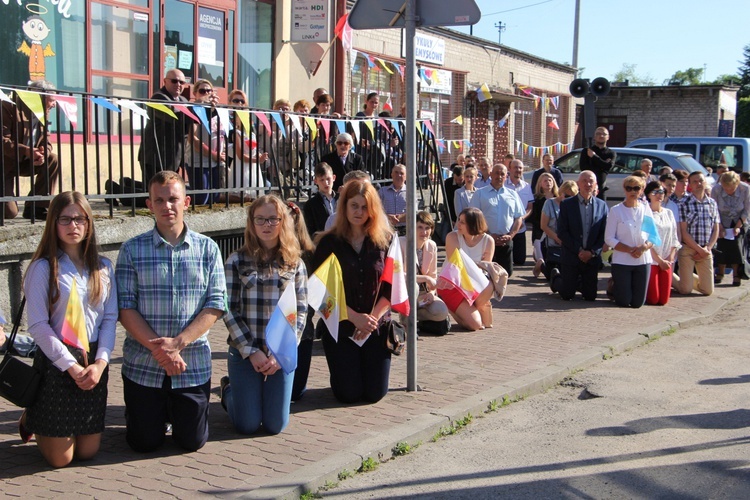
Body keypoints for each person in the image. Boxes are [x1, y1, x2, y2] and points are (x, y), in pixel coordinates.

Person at [116, 170, 227, 452]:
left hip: (191, 365)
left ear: (186, 202)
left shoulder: (208, 249)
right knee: (144, 443)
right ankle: (150, 415)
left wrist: (177, 345)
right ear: (149, 205)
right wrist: (162, 353)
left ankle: (180, 411)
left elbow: (215, 305)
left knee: (192, 442)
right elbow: (125, 308)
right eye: (160, 200)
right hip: (144, 366)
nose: (167, 206)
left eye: (174, 199)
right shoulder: (131, 250)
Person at [21, 191, 117, 467]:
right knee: (61, 460)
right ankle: (33, 417)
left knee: (87, 453)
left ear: (89, 224)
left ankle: (48, 422)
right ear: (53, 223)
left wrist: (100, 363)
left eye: (79, 219)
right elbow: (38, 325)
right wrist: (70, 367)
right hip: (58, 361)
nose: (73, 226)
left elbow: (110, 320)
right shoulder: (43, 268)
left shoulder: (103, 267)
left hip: (93, 360)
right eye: (65, 219)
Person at [222, 195, 307, 434]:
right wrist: (250, 351)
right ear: (252, 223)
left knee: (275, 425)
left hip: (280, 352)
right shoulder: (237, 260)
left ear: (283, 222)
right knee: (247, 425)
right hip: (245, 351)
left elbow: (301, 310)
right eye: (260, 219)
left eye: (273, 219)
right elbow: (228, 309)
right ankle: (229, 391)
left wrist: (281, 352)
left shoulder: (295, 262)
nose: (267, 225)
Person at [311, 179, 393, 404]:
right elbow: (319, 292)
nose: (359, 211)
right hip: (341, 326)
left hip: (375, 327)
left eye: (365, 206)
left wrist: (371, 320)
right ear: (344, 207)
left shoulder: (385, 242)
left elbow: (391, 287)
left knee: (375, 394)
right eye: (354, 205)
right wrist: (355, 318)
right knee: (348, 394)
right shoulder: (328, 243)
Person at [2, 79, 60, 220]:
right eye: (51, 100)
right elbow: (3, 141)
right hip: (5, 164)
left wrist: (42, 152)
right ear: (37, 96)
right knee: (9, 213)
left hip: (26, 161)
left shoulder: (43, 112)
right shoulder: (9, 107)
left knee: (52, 158)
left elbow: (47, 139)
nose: (54, 104)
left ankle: (37, 207)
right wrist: (27, 150)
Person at [554, 171, 608, 301]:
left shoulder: (602, 205)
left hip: (591, 257)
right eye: (584, 181)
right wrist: (579, 250)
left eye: (591, 181)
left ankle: (578, 283)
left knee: (590, 296)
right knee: (567, 295)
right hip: (572, 255)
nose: (588, 184)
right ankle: (555, 278)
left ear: (596, 185)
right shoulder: (567, 204)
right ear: (578, 184)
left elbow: (604, 233)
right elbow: (562, 232)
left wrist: (592, 252)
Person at [439, 208, 495, 331]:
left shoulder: (488, 240)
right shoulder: (452, 237)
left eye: (462, 222)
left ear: (474, 224)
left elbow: (486, 268)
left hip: (474, 287)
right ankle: (451, 307)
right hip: (454, 286)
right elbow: (456, 266)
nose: (457, 224)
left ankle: (473, 308)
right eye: (458, 220)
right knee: (475, 325)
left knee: (490, 285)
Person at [604, 176, 654, 308]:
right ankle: (613, 287)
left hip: (642, 260)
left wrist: (643, 247)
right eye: (629, 188)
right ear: (624, 190)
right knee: (623, 301)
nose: (633, 191)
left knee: (637, 303)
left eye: (636, 188)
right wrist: (629, 249)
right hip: (622, 261)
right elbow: (609, 238)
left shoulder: (646, 209)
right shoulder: (616, 210)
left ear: (642, 190)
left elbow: (653, 236)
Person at [137, 69, 190, 189]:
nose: (178, 85)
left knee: (167, 190)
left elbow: (193, 121)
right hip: (156, 155)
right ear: (165, 81)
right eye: (174, 81)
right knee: (153, 191)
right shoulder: (158, 97)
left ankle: (124, 185)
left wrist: (209, 109)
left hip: (175, 155)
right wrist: (196, 107)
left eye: (181, 82)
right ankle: (118, 189)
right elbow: (174, 117)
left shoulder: (183, 100)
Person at [469, 163, 524, 276]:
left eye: (502, 174)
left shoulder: (512, 194)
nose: (499, 176)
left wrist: (511, 235)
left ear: (506, 176)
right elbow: (473, 217)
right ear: (491, 174)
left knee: (506, 274)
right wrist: (487, 234)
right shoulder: (480, 193)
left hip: (505, 241)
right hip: (485, 241)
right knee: (484, 274)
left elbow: (519, 218)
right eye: (496, 173)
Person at [401, 211, 450, 335]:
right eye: (420, 227)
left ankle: (416, 317)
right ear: (412, 227)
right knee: (414, 287)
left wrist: (432, 293)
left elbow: (433, 276)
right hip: (402, 291)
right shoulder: (401, 243)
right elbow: (398, 276)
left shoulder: (432, 245)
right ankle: (406, 322)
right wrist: (426, 279)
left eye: (427, 228)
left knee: (441, 312)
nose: (424, 232)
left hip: (423, 294)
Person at [677, 172, 720, 296]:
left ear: (705, 182)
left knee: (707, 291)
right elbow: (684, 232)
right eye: (694, 182)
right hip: (688, 249)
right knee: (685, 290)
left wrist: (707, 249)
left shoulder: (712, 203)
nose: (698, 184)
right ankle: (672, 276)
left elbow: (716, 229)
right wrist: (698, 249)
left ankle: (687, 278)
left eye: (700, 181)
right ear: (690, 185)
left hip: (706, 249)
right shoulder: (683, 203)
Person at [186, 80, 225, 204]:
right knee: (201, 198)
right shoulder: (194, 109)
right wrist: (214, 154)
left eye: (209, 91)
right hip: (198, 161)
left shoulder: (216, 111)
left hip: (215, 162)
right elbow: (193, 139)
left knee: (214, 198)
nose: (206, 93)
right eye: (202, 91)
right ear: (195, 93)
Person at [226, 89, 268, 202]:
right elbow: (240, 154)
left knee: (254, 197)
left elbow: (253, 147)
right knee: (241, 196)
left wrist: (260, 156)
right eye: (235, 100)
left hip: (252, 166)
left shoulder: (250, 129)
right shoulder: (227, 121)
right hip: (238, 164)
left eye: (242, 101)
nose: (239, 103)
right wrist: (257, 159)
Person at [711, 171, 750, 286]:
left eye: (731, 189)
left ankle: (736, 274)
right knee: (721, 246)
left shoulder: (745, 189)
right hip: (721, 220)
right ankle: (720, 272)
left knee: (736, 246)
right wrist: (720, 227)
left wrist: (738, 226)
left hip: (740, 220)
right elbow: (714, 209)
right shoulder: (716, 190)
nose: (728, 191)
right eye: (726, 188)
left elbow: (747, 209)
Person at [644, 181, 681, 305]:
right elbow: (646, 240)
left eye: (661, 192)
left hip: (667, 259)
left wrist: (670, 257)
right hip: (652, 260)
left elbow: (674, 237)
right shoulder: (646, 214)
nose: (659, 195)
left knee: (663, 300)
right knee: (653, 299)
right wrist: (659, 260)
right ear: (649, 195)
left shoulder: (669, 213)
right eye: (655, 192)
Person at [541, 180, 579, 282]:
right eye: (566, 195)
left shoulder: (574, 206)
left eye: (572, 197)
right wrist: (558, 238)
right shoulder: (549, 203)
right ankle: (540, 265)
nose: (568, 199)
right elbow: (544, 226)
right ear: (561, 192)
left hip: (568, 245)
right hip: (552, 243)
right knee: (551, 275)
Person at [505, 159, 534, 267]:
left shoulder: (526, 186)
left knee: (520, 261)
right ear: (510, 169)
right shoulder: (503, 185)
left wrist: (521, 218)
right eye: (516, 167)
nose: (518, 170)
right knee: (505, 260)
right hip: (506, 228)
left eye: (520, 168)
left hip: (520, 228)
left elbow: (530, 207)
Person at [530, 172, 558, 278]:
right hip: (540, 233)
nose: (548, 182)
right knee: (541, 257)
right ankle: (539, 260)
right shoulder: (537, 200)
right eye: (545, 180)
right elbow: (534, 219)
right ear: (540, 184)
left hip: (555, 232)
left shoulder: (558, 198)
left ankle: (541, 265)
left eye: (550, 180)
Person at [579, 127, 616, 201]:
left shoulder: (611, 153)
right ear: (594, 137)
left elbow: (608, 167)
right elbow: (584, 168)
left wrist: (594, 157)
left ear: (608, 137)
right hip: (586, 189)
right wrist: (602, 165)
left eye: (604, 134)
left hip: (601, 190)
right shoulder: (586, 151)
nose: (601, 136)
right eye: (598, 134)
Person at [304, 162, 337, 238]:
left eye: (328, 179)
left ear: (334, 178)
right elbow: (310, 230)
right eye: (322, 180)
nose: (326, 183)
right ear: (316, 181)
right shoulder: (311, 205)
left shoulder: (341, 198)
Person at [379, 164, 407, 236]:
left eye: (402, 173)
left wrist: (399, 218)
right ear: (392, 174)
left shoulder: (410, 192)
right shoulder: (382, 191)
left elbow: (414, 212)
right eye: (396, 172)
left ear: (406, 176)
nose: (399, 175)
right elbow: (376, 209)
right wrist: (388, 217)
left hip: (405, 230)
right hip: (386, 229)